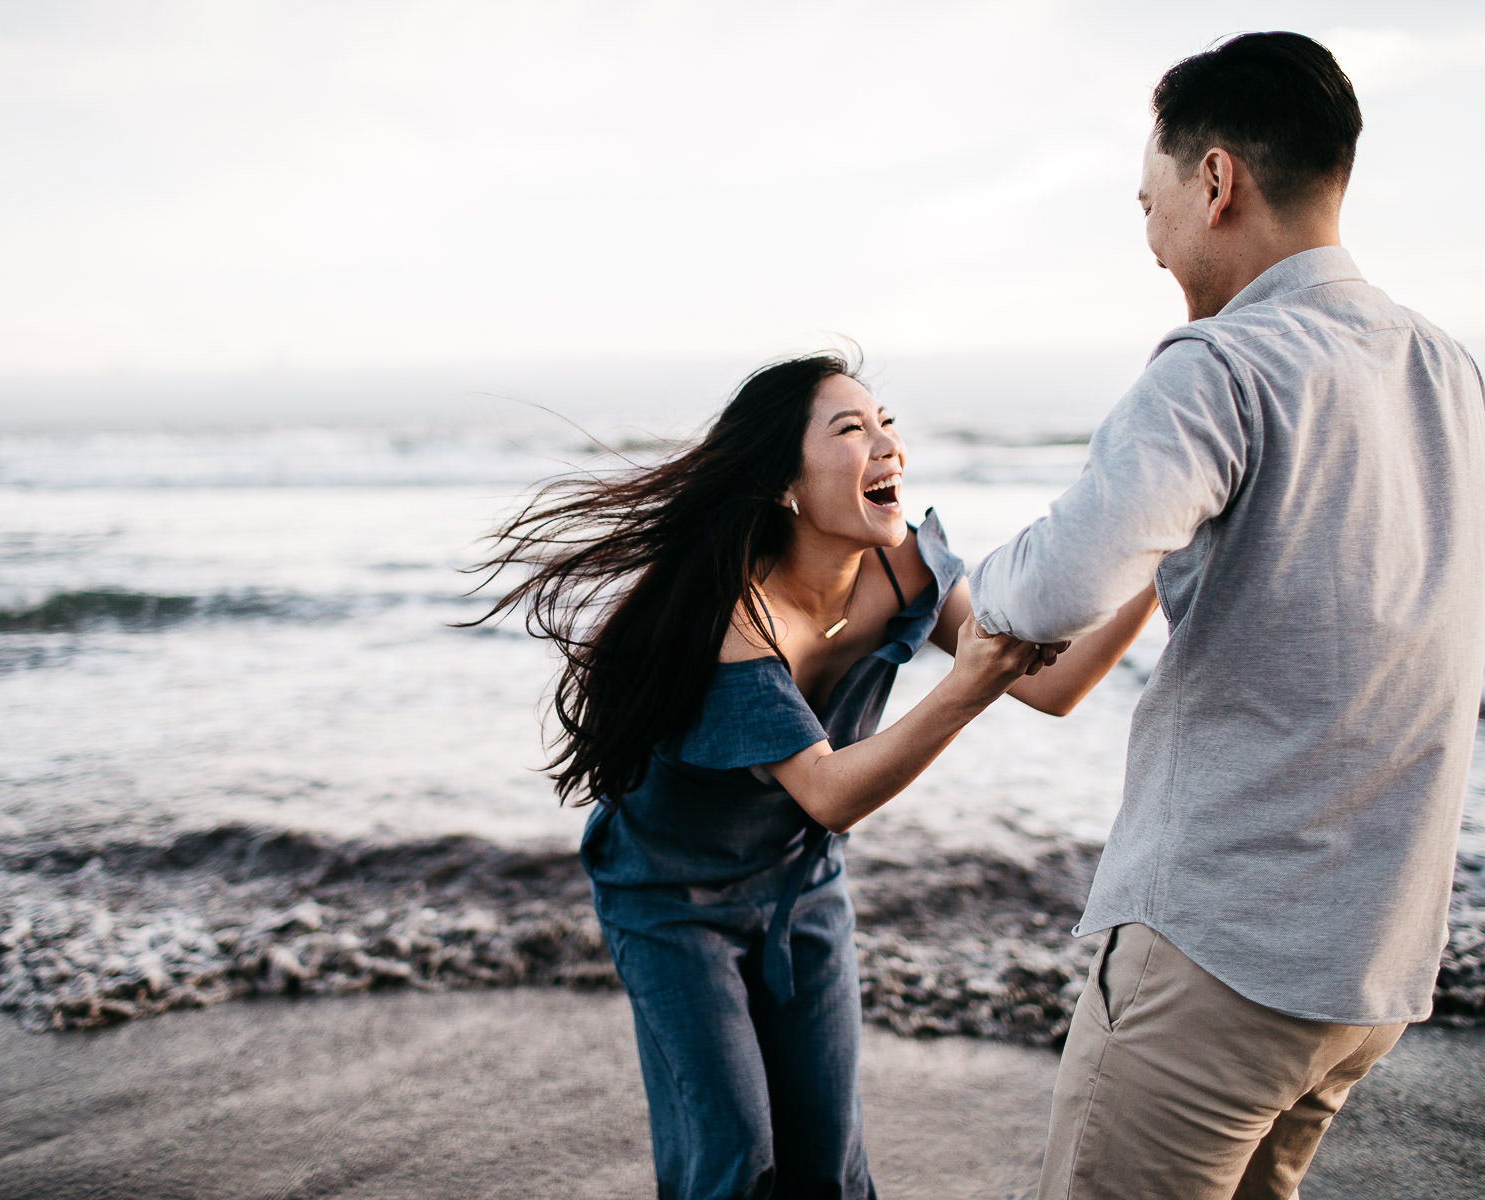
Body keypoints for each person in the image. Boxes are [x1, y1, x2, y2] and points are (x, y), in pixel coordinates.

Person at [965, 32, 1485, 1200]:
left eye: (1148, 200)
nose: (1150, 236)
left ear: (1217, 180)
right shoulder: (1449, 374)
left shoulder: (1223, 364)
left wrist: (967, 586)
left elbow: (1054, 585)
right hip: (1370, 965)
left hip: (1219, 953)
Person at [469, 352, 1156, 1199]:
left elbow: (1052, 686)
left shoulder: (909, 569)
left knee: (828, 1167)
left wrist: (1161, 560)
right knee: (736, 1159)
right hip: (669, 898)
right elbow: (830, 796)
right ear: (784, 484)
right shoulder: (736, 616)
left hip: (802, 886)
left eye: (886, 422)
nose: (887, 445)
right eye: (851, 429)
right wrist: (966, 686)